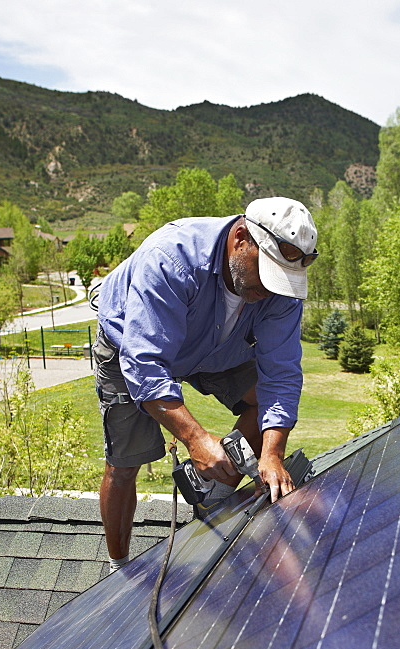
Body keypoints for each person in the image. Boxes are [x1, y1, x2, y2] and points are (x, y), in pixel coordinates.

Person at [95, 196, 318, 571]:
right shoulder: (171, 258)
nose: (270, 288)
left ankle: (210, 488)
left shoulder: (280, 290)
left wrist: (273, 453)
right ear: (241, 238)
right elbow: (145, 363)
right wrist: (196, 439)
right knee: (124, 463)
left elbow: (280, 374)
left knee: (262, 405)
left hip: (219, 346)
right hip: (132, 344)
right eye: (266, 273)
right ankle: (119, 568)